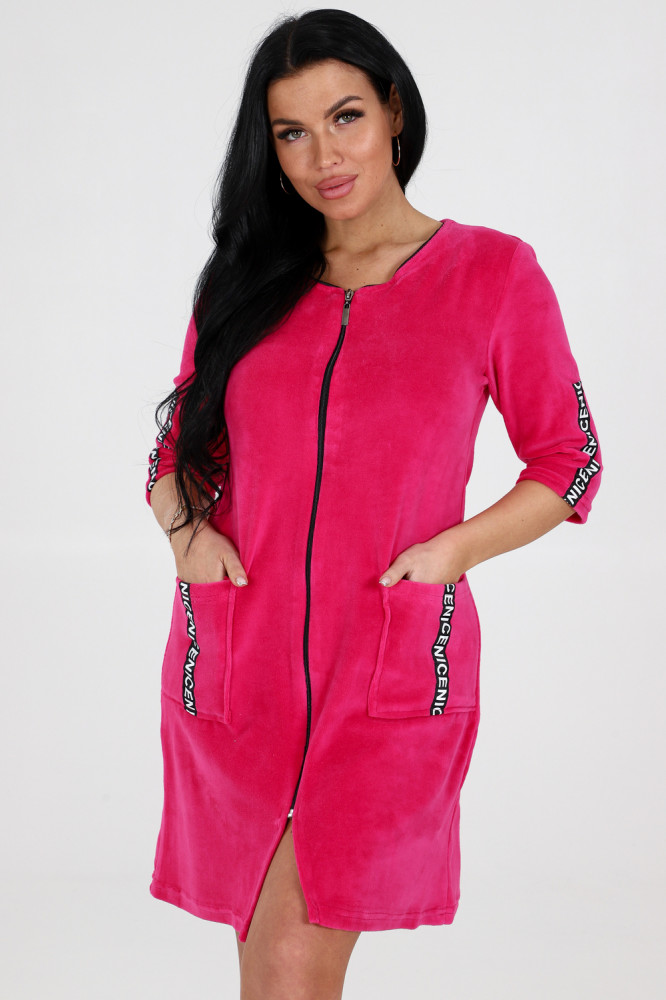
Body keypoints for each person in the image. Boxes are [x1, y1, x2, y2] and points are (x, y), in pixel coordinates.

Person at [145, 8, 602, 999]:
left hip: (389, 669)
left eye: (345, 116)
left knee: (287, 961)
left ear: (394, 110)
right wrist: (187, 535)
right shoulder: (245, 280)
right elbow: (175, 455)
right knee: (272, 966)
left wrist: (452, 552)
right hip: (239, 666)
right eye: (292, 132)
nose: (324, 156)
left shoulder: (493, 274)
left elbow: (569, 463)